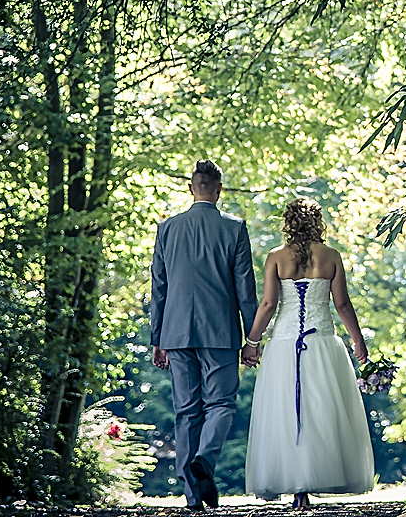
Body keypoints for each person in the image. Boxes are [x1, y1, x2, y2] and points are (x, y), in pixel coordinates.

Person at [243, 197, 374, 510]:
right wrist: (358, 341)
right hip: (323, 343)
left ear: (288, 222)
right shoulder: (330, 256)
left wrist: (252, 341)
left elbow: (269, 305)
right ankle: (312, 478)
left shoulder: (276, 257)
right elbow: (342, 304)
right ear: (317, 222)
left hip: (285, 344)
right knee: (321, 410)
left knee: (285, 410)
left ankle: (296, 487)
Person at [150, 159, 259, 510]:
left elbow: (159, 288)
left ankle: (193, 496)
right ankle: (205, 461)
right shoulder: (234, 228)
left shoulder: (167, 228)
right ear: (219, 189)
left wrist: (157, 337)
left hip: (177, 332)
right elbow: (245, 289)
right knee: (222, 404)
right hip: (221, 332)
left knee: (186, 411)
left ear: (191, 188)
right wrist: (252, 338)